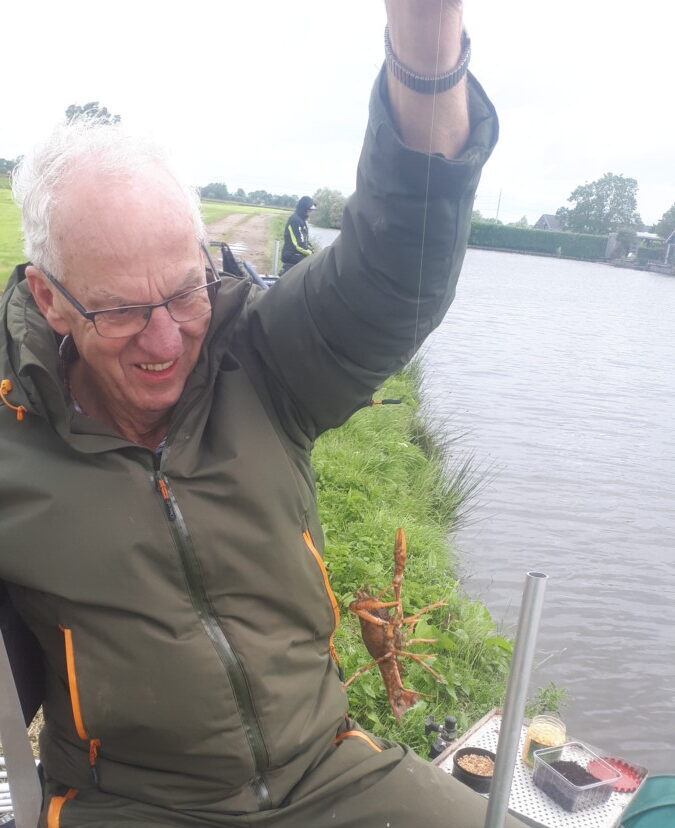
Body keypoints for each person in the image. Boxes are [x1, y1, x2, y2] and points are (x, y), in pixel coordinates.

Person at [0, 2, 503, 825]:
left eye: (184, 291)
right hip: (127, 801)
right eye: (121, 311)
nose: (166, 340)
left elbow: (397, 265)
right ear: (51, 301)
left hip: (325, 771)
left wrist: (427, 33)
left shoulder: (260, 355)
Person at [280, 196, 315, 272]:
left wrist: (312, 249)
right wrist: (312, 254)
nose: (310, 213)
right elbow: (299, 245)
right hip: (291, 255)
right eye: (309, 210)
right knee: (314, 266)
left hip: (298, 254)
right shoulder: (295, 221)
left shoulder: (301, 221)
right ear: (304, 209)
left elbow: (305, 241)